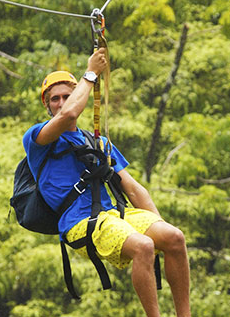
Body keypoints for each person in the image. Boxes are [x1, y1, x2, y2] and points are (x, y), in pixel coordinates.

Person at [23, 48, 191, 317]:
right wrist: (90, 74)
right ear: (47, 105)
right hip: (80, 224)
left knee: (174, 238)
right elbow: (66, 116)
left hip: (114, 215)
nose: (62, 103)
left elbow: (133, 188)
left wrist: (159, 227)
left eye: (68, 96)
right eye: (56, 99)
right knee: (143, 246)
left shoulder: (97, 143)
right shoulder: (37, 139)